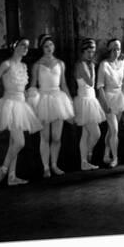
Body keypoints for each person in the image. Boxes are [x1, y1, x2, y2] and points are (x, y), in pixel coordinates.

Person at [0, 37, 43, 187]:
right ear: (15, 47)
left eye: (27, 46)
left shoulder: (23, 66)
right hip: (9, 104)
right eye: (22, 45)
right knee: (20, 142)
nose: (25, 48)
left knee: (13, 143)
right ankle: (3, 169)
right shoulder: (6, 64)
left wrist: (31, 95)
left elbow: (23, 88)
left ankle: (12, 177)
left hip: (21, 104)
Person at [28, 34, 74, 178]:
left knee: (56, 137)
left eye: (51, 45)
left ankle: (54, 164)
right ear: (42, 48)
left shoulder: (60, 63)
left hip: (58, 98)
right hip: (43, 99)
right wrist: (29, 98)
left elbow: (64, 84)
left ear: (54, 47)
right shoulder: (37, 65)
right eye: (46, 46)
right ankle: (46, 167)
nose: (49, 48)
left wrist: (70, 101)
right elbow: (33, 84)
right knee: (45, 137)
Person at [73, 38, 106, 170]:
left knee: (85, 134)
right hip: (84, 101)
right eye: (88, 51)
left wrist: (92, 65)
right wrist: (92, 67)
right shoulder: (81, 64)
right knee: (96, 133)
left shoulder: (87, 64)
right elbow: (91, 82)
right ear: (83, 52)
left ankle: (84, 162)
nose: (91, 54)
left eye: (92, 51)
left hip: (91, 100)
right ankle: (88, 154)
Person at [96, 38, 124, 168]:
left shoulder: (122, 61)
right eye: (114, 48)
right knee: (114, 130)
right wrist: (105, 104)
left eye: (119, 48)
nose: (117, 51)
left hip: (119, 97)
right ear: (109, 50)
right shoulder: (104, 64)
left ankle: (106, 154)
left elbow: (122, 79)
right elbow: (99, 86)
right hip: (108, 98)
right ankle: (115, 158)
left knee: (111, 131)